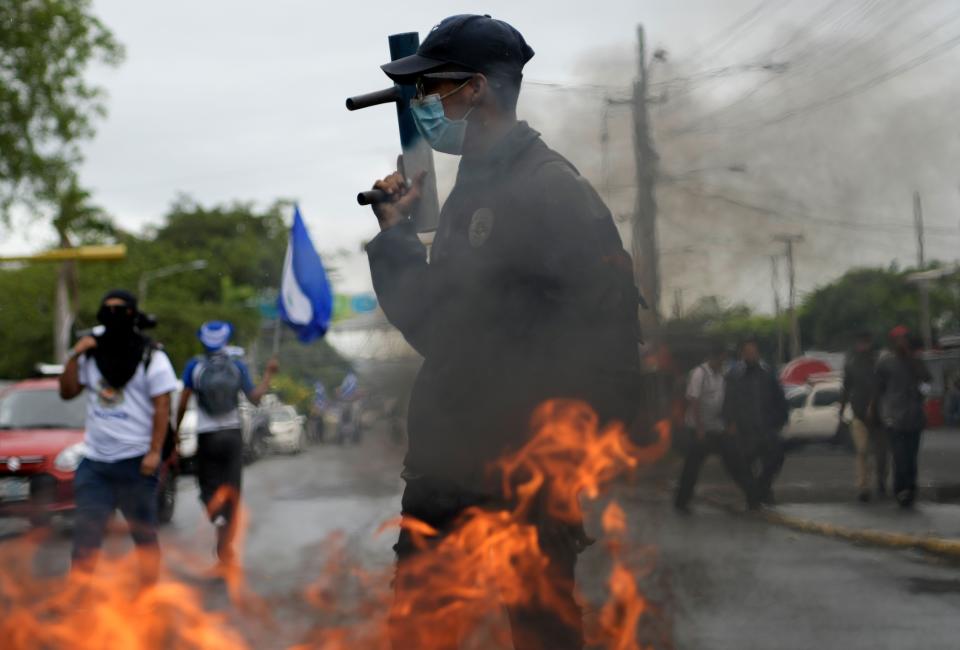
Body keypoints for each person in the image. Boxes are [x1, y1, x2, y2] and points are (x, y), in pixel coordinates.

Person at [365, 14, 643, 650]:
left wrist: (569, 459)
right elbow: (449, 326)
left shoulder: (551, 190)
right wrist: (398, 233)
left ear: (477, 89)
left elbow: (608, 339)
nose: (424, 104)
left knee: (540, 629)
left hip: (521, 470)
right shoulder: (478, 186)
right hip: (452, 465)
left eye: (433, 88)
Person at [58, 290, 178, 584]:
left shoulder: (152, 356)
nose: (112, 314)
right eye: (106, 308)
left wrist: (153, 452)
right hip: (95, 463)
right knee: (87, 535)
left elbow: (162, 405)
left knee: (143, 533)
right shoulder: (91, 356)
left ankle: (150, 593)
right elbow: (67, 391)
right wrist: (75, 354)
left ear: (132, 314)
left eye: (119, 309)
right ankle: (78, 594)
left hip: (136, 462)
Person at [175, 321, 277, 566]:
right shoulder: (237, 366)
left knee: (207, 486)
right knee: (232, 491)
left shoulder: (195, 366)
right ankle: (226, 547)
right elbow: (254, 399)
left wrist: (175, 431)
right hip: (232, 436)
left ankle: (216, 517)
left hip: (207, 436)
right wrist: (269, 374)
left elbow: (183, 400)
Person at [674, 342, 755, 512]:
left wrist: (730, 424)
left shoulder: (722, 376)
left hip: (718, 428)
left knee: (735, 461)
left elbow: (727, 402)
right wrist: (700, 429)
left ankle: (754, 498)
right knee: (692, 467)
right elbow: (694, 401)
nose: (723, 362)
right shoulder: (699, 373)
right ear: (714, 358)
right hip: (699, 430)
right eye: (722, 359)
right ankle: (681, 502)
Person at [722, 339, 789, 507]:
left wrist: (781, 418)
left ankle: (762, 488)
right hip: (745, 429)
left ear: (758, 353)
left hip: (766, 426)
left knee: (775, 458)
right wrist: (730, 422)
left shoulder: (767, 373)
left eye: (753, 351)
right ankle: (754, 495)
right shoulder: (734, 376)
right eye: (747, 352)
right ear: (742, 354)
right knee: (744, 464)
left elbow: (779, 397)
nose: (750, 354)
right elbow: (728, 400)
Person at [874, 326, 931, 508]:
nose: (902, 342)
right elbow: (879, 389)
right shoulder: (885, 363)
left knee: (911, 457)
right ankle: (901, 491)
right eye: (898, 339)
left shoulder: (916, 361)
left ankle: (911, 489)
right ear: (892, 342)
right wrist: (879, 411)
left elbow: (927, 382)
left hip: (914, 418)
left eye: (904, 338)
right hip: (894, 419)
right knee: (899, 457)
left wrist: (921, 396)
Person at [840, 332, 886, 502]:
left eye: (866, 343)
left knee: (881, 453)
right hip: (858, 414)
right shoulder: (851, 364)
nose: (863, 346)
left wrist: (874, 406)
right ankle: (863, 486)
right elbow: (846, 387)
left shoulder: (878, 363)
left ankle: (881, 482)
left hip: (879, 416)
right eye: (860, 343)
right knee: (862, 451)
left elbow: (881, 387)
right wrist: (842, 408)